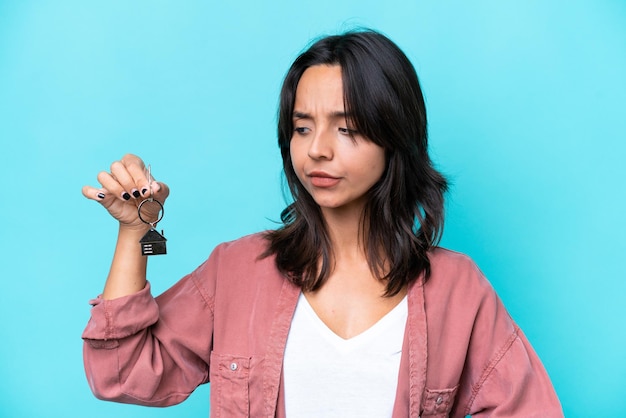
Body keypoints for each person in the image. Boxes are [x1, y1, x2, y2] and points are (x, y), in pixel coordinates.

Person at [81, 29, 563, 417]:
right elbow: (120, 373)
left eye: (347, 127)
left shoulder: (459, 290)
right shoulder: (237, 270)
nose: (317, 149)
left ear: (394, 135)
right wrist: (134, 231)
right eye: (302, 126)